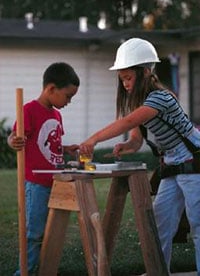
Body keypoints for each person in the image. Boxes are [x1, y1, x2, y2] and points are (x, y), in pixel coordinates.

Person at [79, 38, 200, 275]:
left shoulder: (161, 98)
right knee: (159, 224)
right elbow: (135, 136)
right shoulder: (142, 103)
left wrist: (92, 140)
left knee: (198, 223)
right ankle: (157, 270)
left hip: (193, 163)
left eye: (128, 78)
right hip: (172, 166)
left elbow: (128, 121)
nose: (124, 84)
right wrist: (128, 145)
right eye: (122, 78)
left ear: (145, 72)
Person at [8, 62, 80, 276]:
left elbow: (53, 145)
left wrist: (66, 149)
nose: (69, 102)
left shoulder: (57, 115)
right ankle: (25, 271)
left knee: (51, 232)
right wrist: (13, 141)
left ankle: (45, 269)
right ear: (51, 89)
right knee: (35, 232)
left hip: (56, 182)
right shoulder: (29, 110)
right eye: (68, 96)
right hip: (36, 184)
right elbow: (15, 136)